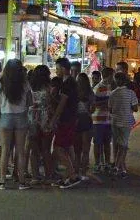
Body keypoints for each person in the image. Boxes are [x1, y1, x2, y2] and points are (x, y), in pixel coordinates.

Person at [0, 59, 32, 190]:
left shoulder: (1, 83)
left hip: (6, 117)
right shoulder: (24, 83)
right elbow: (30, 102)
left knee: (5, 150)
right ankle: (22, 182)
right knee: (20, 151)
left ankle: (2, 181)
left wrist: (2, 110)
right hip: (21, 117)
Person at [51, 57, 82, 189]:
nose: (56, 71)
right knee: (67, 148)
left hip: (66, 119)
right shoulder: (70, 82)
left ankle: (72, 175)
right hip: (70, 118)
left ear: (64, 69)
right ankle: (69, 176)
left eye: (57, 69)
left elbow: (63, 103)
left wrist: (54, 119)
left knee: (58, 148)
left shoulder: (67, 84)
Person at [109, 72, 138, 178]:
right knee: (123, 145)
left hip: (115, 121)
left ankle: (121, 167)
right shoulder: (131, 93)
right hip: (126, 122)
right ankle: (118, 166)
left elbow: (110, 109)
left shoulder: (112, 93)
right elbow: (135, 108)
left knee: (118, 144)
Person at [28, 65, 53, 184]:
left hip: (32, 119)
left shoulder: (30, 88)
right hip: (45, 119)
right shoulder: (48, 88)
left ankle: (35, 176)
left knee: (34, 150)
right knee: (45, 149)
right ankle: (48, 175)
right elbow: (49, 103)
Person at [92, 67, 115, 173]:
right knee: (98, 143)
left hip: (108, 119)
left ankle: (106, 162)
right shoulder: (98, 88)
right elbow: (94, 104)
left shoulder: (110, 87)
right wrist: (107, 103)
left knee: (107, 142)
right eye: (112, 76)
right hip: (98, 120)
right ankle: (97, 163)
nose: (113, 78)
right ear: (108, 76)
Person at [75, 73, 95, 180]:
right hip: (86, 119)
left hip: (77, 120)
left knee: (77, 149)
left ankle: (77, 171)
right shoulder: (90, 93)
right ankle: (83, 172)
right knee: (85, 149)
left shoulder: (75, 92)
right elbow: (93, 109)